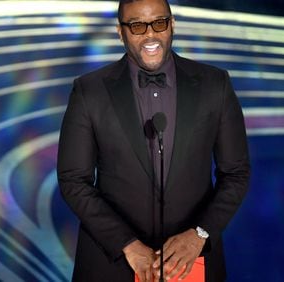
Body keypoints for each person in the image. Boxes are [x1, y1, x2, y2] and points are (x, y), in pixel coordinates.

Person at [57, 0, 250, 281]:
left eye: (159, 23)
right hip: (112, 264)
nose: (150, 35)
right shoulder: (89, 91)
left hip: (192, 261)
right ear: (120, 32)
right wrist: (127, 244)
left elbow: (236, 173)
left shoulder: (214, 84)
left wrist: (200, 234)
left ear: (172, 25)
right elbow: (73, 179)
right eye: (137, 26)